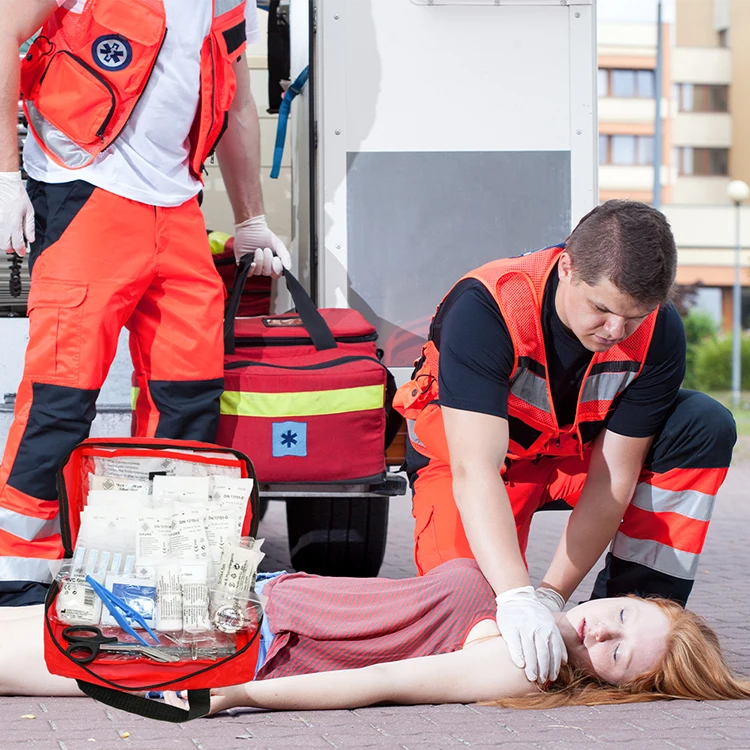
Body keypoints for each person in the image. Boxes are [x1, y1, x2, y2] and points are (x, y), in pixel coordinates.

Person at [0, 0, 291, 606]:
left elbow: (236, 103)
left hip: (178, 208)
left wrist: (251, 219)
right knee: (60, 397)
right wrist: (4, 178)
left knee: (188, 400)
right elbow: (3, 31)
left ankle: (156, 577)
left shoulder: (226, 4)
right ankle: (18, 576)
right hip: (84, 194)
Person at [393, 200, 737, 686]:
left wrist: (551, 595)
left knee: (702, 424)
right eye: (602, 309)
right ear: (567, 267)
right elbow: (475, 471)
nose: (616, 331)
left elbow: (612, 480)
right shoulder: (489, 306)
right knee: (470, 624)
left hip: (572, 460)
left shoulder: (659, 331)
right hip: (476, 468)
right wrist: (516, 597)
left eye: (634, 317)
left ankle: (625, 647)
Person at [1, 559, 749, 711]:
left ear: (619, 686)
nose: (602, 628)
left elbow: (384, 682)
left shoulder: (526, 665)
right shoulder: (528, 600)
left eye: (617, 653)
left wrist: (236, 697)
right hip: (239, 593)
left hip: (230, 644)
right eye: (624, 615)